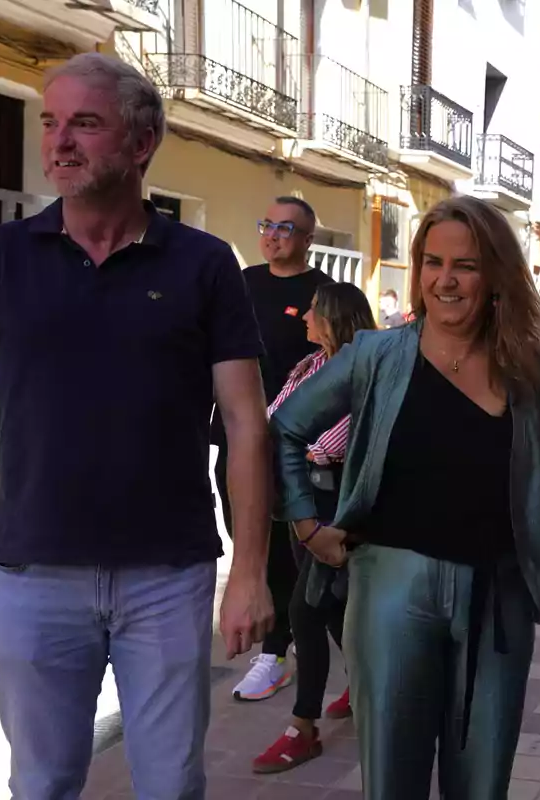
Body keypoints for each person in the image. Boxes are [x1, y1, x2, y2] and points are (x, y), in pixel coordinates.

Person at [0, 52, 273, 798]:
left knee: (170, 784)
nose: (58, 142)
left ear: (142, 142)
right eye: (51, 122)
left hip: (168, 576)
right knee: (43, 782)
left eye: (84, 124)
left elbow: (247, 425)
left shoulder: (204, 263)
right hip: (32, 575)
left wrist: (249, 568)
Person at [269, 195, 540, 799]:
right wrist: (307, 524)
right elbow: (285, 428)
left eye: (465, 265)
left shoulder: (533, 370)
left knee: (482, 782)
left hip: (498, 600)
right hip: (392, 591)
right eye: (431, 261)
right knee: (393, 778)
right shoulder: (377, 355)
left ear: (495, 274)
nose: (445, 280)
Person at [252, 282, 377, 773]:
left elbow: (332, 442)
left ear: (334, 318)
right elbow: (273, 419)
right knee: (328, 609)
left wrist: (294, 442)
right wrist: (288, 440)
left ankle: (302, 728)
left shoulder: (364, 370)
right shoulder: (309, 366)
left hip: (335, 504)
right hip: (300, 500)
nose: (304, 316)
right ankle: (367, 681)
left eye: (312, 310)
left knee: (305, 610)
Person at [217, 197, 335, 702]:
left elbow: (340, 362)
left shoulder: (323, 293)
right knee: (246, 535)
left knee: (293, 549)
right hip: (237, 435)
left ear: (308, 239)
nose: (273, 235)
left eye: (287, 228)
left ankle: (278, 651)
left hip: (297, 444)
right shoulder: (242, 283)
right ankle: (290, 644)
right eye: (267, 224)